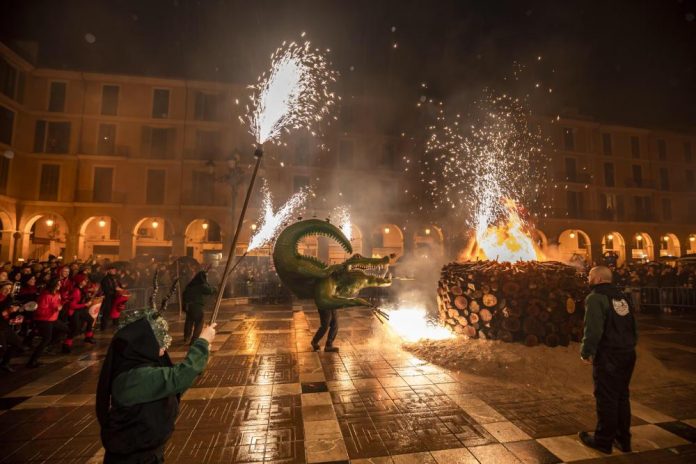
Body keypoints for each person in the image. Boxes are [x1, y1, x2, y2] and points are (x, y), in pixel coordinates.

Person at [96, 306, 216, 463]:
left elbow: (172, 385)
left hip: (147, 454)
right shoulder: (133, 378)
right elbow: (176, 378)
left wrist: (203, 351)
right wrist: (202, 343)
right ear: (143, 342)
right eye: (159, 339)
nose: (166, 344)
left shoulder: (142, 365)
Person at [579, 265, 638, 454]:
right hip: (627, 353)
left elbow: (593, 329)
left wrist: (586, 351)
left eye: (589, 275)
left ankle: (603, 441)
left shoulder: (596, 298)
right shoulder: (622, 297)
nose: (588, 278)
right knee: (622, 396)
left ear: (597, 279)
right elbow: (632, 325)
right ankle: (623, 440)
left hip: (609, 355)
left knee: (606, 398)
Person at [27, 279, 68, 368]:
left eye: (60, 284)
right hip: (44, 319)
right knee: (46, 339)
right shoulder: (46, 295)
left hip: (53, 318)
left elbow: (57, 303)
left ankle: (49, 345)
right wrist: (55, 309)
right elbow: (40, 311)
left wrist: (62, 302)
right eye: (58, 284)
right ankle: (32, 361)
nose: (59, 285)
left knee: (64, 329)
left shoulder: (56, 294)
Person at [62, 273, 97, 353]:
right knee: (75, 328)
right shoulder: (76, 290)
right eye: (85, 280)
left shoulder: (82, 289)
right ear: (80, 281)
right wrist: (85, 304)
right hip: (75, 311)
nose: (86, 281)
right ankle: (66, 345)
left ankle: (88, 337)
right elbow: (72, 305)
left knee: (90, 320)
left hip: (80, 310)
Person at [182, 271, 216, 344]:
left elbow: (184, 295)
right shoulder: (201, 286)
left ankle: (186, 337)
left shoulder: (190, 285)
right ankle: (194, 340)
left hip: (188, 306)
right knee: (199, 322)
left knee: (189, 322)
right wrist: (215, 288)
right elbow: (209, 290)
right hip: (197, 306)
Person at [0, 280, 24, 372]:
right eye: (5, 288)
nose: (7, 291)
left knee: (17, 343)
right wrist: (7, 312)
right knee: (2, 349)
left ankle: (5, 363)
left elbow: (7, 314)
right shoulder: (4, 299)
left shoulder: (8, 299)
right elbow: (3, 312)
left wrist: (13, 319)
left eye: (10, 289)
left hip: (4, 326)